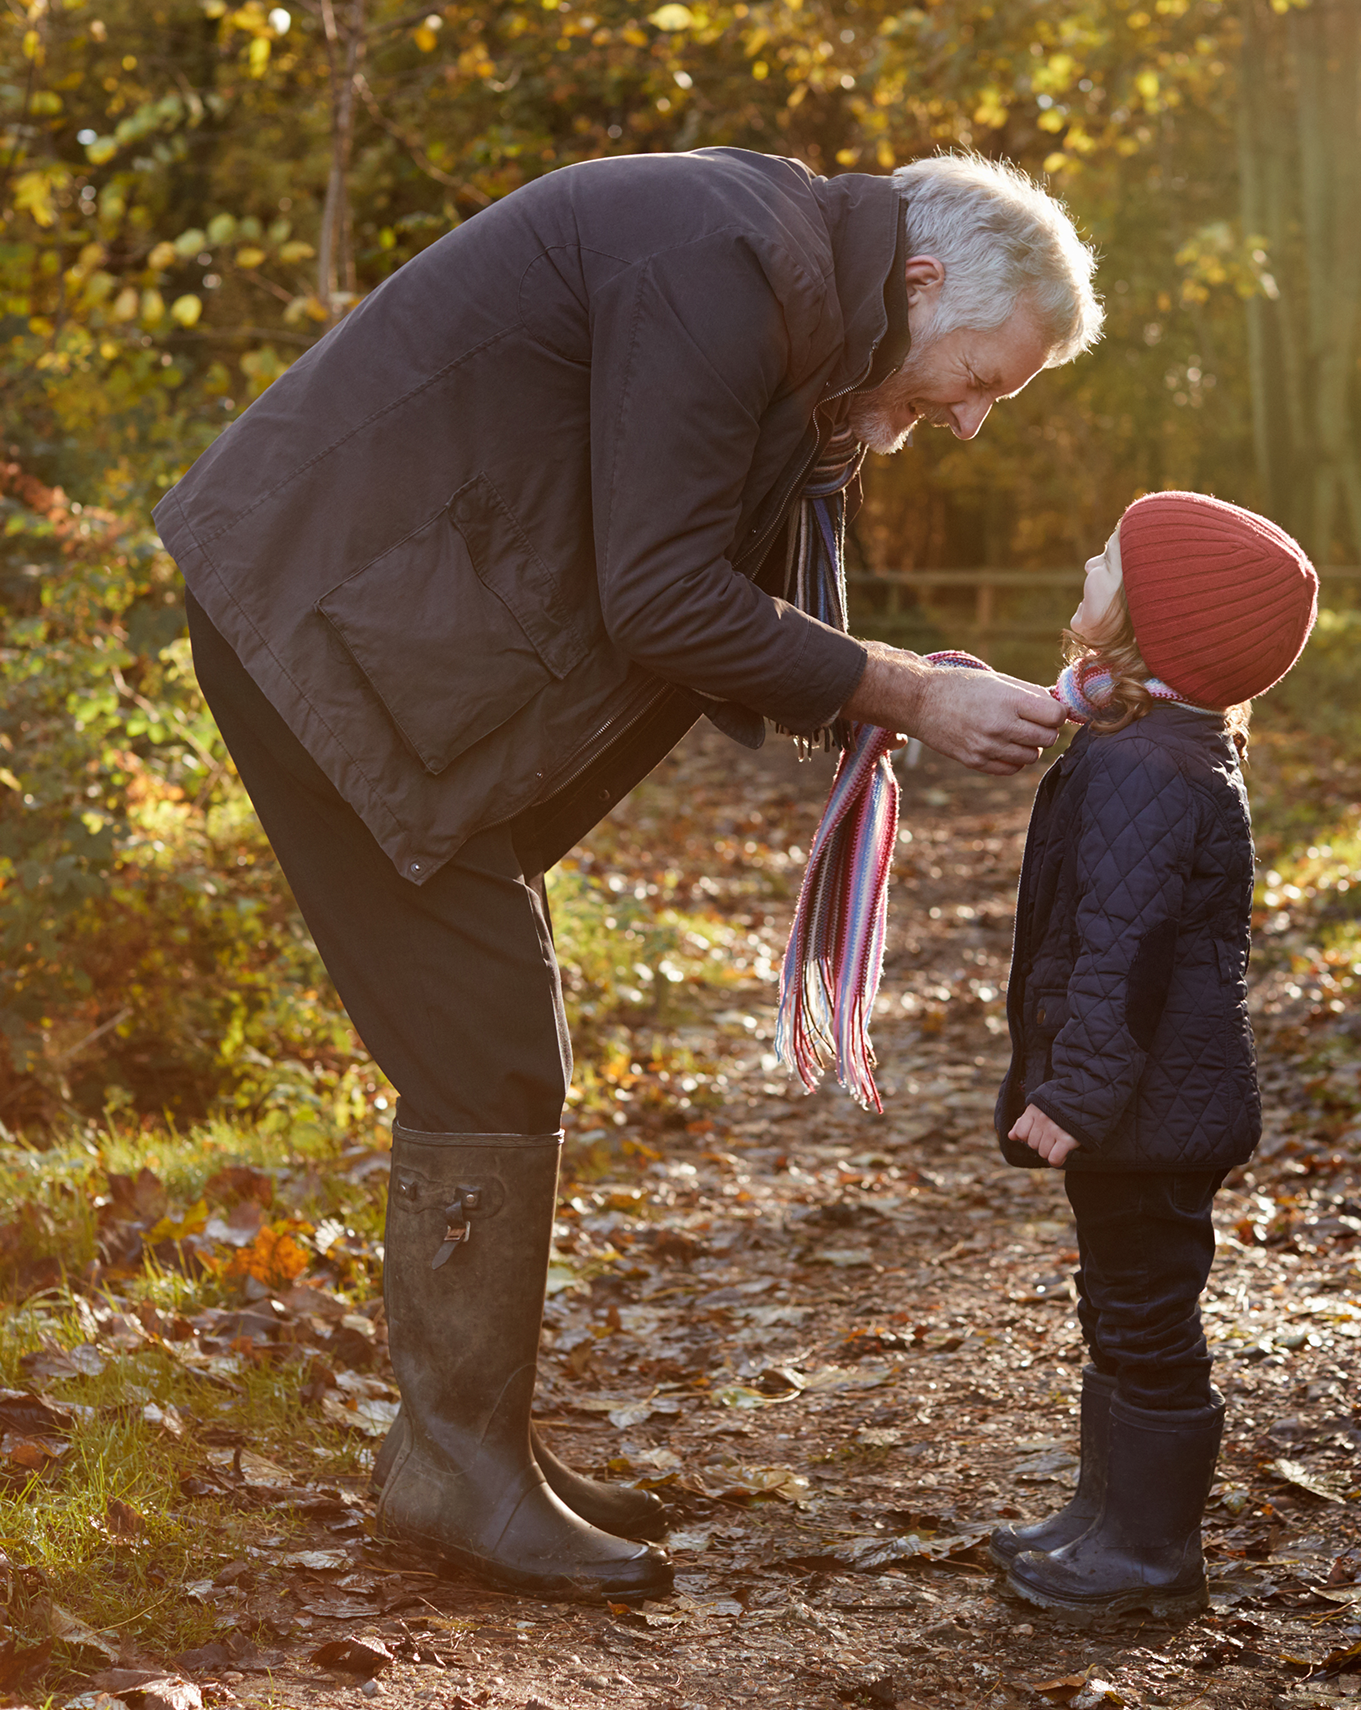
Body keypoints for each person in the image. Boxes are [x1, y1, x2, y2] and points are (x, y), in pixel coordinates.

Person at [154, 145, 1099, 1602]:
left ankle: (468, 1441)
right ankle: (453, 1466)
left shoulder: (794, 299)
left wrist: (879, 682)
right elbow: (658, 591)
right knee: (488, 1048)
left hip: (391, 635)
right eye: (977, 375)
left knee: (497, 1037)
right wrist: (901, 691)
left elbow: (739, 567)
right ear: (918, 285)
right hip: (315, 620)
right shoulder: (719, 267)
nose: (968, 419)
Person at [990, 490, 1318, 1615]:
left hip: (1143, 1112)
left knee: (1144, 1313)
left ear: (1153, 620)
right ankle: (1103, 1516)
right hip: (1146, 1106)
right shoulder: (1153, 737)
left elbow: (1119, 953)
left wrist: (1074, 1093)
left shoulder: (1147, 767)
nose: (1087, 563)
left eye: (1107, 559)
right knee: (1118, 1300)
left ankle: (1149, 1555)